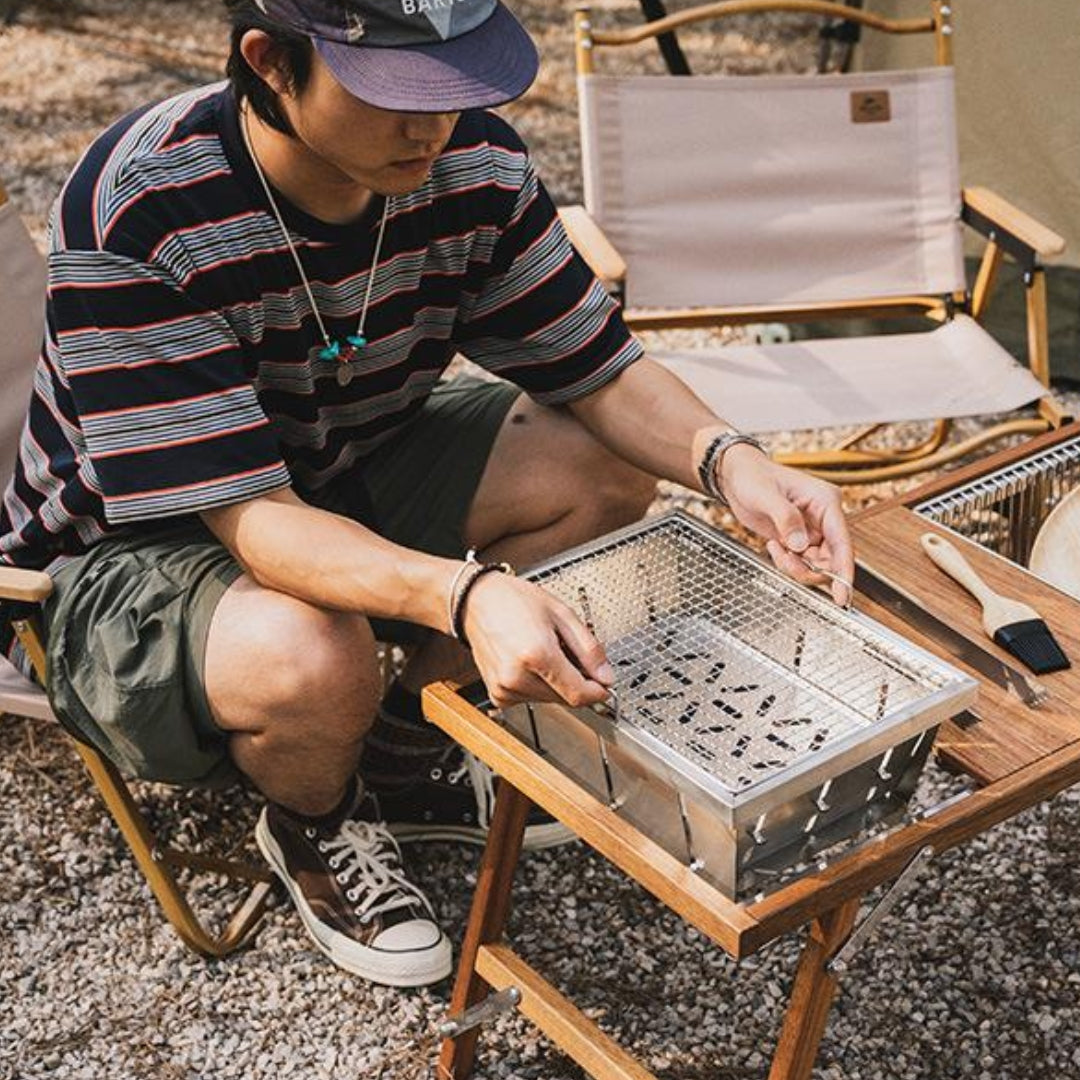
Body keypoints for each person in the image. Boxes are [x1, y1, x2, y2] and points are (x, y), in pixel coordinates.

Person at [0, 0, 853, 988]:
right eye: (394, 93)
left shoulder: (470, 162)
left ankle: (403, 752)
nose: (433, 127)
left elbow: (602, 372)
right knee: (317, 650)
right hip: (128, 550)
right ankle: (314, 822)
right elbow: (256, 521)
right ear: (270, 63)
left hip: (341, 465)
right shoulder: (146, 206)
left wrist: (733, 462)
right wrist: (466, 593)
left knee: (609, 468)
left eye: (455, 83)